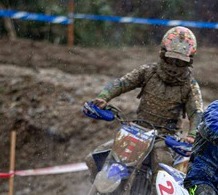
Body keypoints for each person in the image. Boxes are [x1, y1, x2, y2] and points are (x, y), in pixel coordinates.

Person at [85, 26, 203, 180]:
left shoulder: (190, 86)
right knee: (94, 159)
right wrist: (104, 97)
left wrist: (192, 135)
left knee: (162, 168)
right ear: (162, 54)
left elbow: (196, 112)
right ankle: (98, 194)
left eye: (180, 62)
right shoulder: (148, 72)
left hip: (164, 137)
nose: (174, 65)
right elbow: (123, 83)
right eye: (171, 59)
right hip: (136, 130)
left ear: (189, 62)